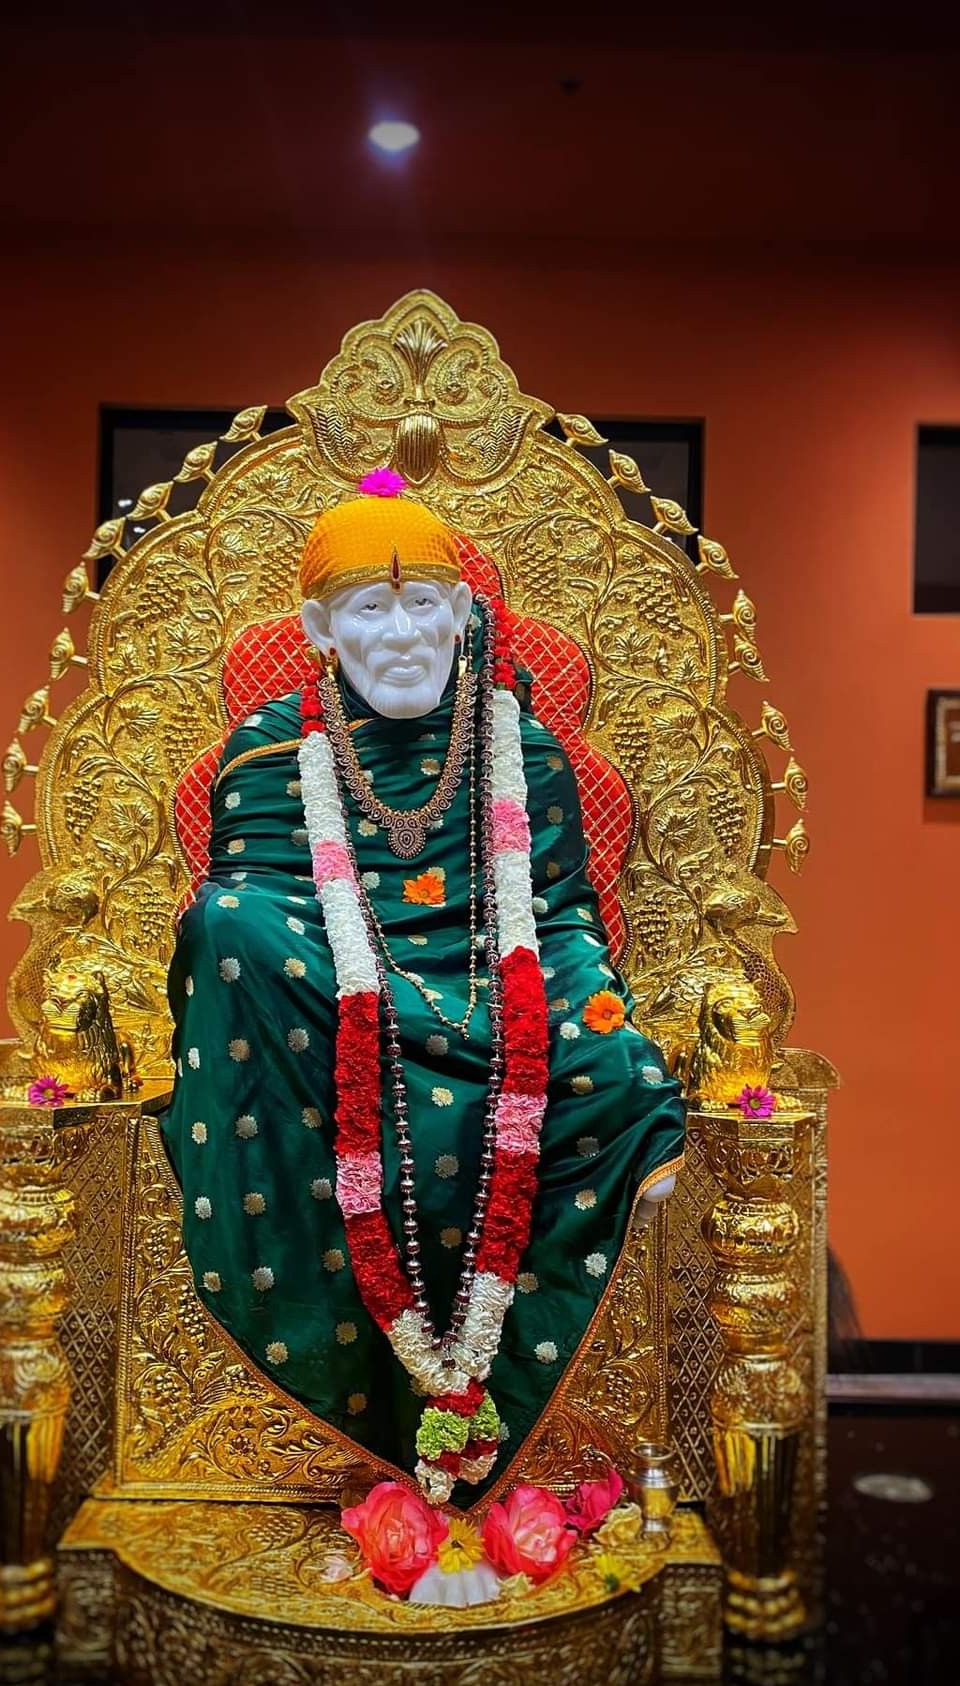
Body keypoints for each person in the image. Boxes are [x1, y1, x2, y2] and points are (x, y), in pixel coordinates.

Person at [161, 472, 685, 1504]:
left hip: (500, 998)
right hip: (328, 1004)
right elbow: (255, 904)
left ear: (460, 613)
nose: (400, 635)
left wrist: (601, 1017)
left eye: (421, 606)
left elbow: (561, 917)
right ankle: (320, 1425)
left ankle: (532, 1441)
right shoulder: (271, 754)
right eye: (369, 607)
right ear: (320, 628)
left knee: (614, 1064)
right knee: (227, 926)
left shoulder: (522, 751)